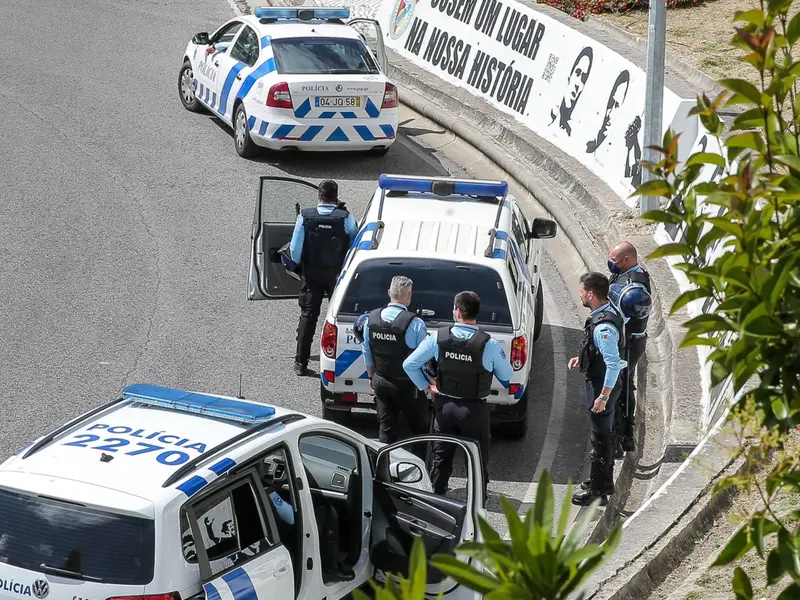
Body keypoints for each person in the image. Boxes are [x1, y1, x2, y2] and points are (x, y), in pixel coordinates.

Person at [403, 291, 513, 499]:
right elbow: (507, 374)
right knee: (476, 459)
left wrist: (428, 387)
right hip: (475, 410)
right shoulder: (488, 344)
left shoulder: (438, 338)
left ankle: (437, 497)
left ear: (457, 311)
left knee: (441, 457)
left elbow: (409, 364)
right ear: (476, 313)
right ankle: (477, 501)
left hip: (445, 407)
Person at [568, 272, 627, 506]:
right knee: (603, 435)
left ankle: (598, 492)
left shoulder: (603, 326)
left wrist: (603, 396)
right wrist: (581, 358)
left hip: (603, 387)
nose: (580, 295)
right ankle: (599, 481)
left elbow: (612, 363)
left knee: (601, 439)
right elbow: (599, 352)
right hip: (604, 383)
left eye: (582, 291)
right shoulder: (605, 313)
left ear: (591, 294)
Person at [289, 180, 358, 376]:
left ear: (318, 196)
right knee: (338, 317)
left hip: (312, 276)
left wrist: (299, 267)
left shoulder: (305, 217)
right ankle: (343, 361)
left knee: (308, 316)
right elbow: (354, 245)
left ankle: (301, 362)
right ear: (336, 197)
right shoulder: (346, 217)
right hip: (337, 276)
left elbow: (294, 251)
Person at [361, 276, 430, 449]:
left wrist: (371, 377)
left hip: (381, 380)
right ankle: (418, 470)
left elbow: (367, 351)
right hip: (409, 386)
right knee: (419, 431)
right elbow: (423, 360)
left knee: (386, 431)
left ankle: (383, 470)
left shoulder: (371, 319)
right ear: (409, 296)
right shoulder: (415, 324)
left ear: (389, 293)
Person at [607, 241, 651, 457]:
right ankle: (623, 435)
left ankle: (622, 435)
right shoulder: (626, 274)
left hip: (629, 342)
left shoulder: (636, 285)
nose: (611, 264)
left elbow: (631, 312)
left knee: (620, 387)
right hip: (628, 340)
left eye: (614, 260)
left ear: (626, 260)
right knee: (624, 384)